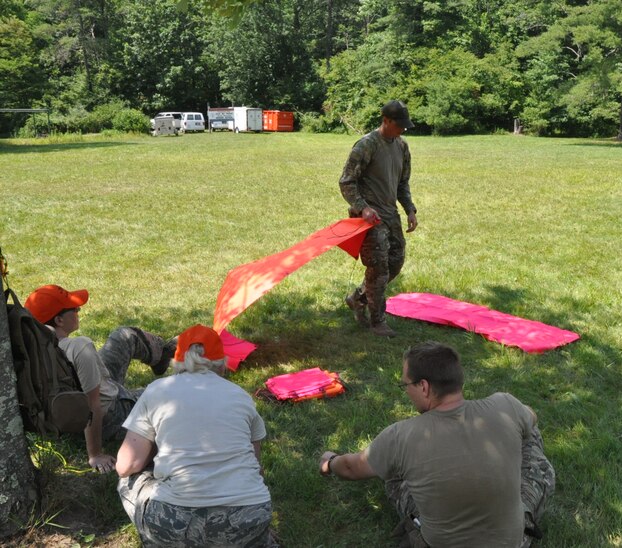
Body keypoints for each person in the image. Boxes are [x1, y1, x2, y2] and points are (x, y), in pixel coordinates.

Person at [319, 342, 555, 547]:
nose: (406, 391)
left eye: (406, 385)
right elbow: (531, 417)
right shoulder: (505, 406)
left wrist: (329, 462)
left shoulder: (401, 436)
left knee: (394, 472)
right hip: (512, 543)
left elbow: (352, 467)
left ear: (424, 387)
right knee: (529, 433)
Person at [115, 324, 274, 547]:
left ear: (178, 360)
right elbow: (256, 466)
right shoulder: (242, 397)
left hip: (174, 522)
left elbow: (126, 465)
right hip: (248, 518)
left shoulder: (157, 390)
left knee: (127, 480)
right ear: (221, 362)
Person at [25, 284, 176, 474]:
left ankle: (162, 355)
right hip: (112, 413)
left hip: (72, 412)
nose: (79, 310)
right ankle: (194, 368)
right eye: (74, 309)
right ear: (59, 320)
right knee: (167, 392)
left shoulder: (28, 351)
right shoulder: (80, 348)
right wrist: (95, 454)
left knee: (124, 337)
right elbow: (92, 405)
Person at [340, 99, 418, 338]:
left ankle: (358, 298)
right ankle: (377, 321)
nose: (402, 130)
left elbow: (402, 183)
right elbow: (347, 182)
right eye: (399, 125)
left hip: (389, 213)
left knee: (395, 261)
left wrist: (410, 209)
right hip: (369, 217)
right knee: (378, 267)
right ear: (386, 121)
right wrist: (362, 208)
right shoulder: (367, 145)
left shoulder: (402, 147)